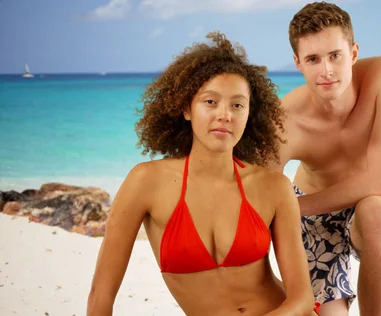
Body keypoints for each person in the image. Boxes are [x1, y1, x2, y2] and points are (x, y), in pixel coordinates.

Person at [87, 31, 320, 316]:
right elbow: (101, 296)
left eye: (237, 104)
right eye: (210, 102)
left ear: (249, 115)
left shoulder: (274, 187)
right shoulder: (146, 182)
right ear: (186, 108)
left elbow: (302, 299)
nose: (225, 115)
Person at [268, 2, 381, 315]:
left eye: (335, 55)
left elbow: (379, 180)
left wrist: (291, 207)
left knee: (378, 209)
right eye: (313, 59)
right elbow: (261, 196)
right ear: (298, 63)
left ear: (354, 52)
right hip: (313, 220)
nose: (326, 71)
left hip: (373, 202)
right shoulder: (283, 120)